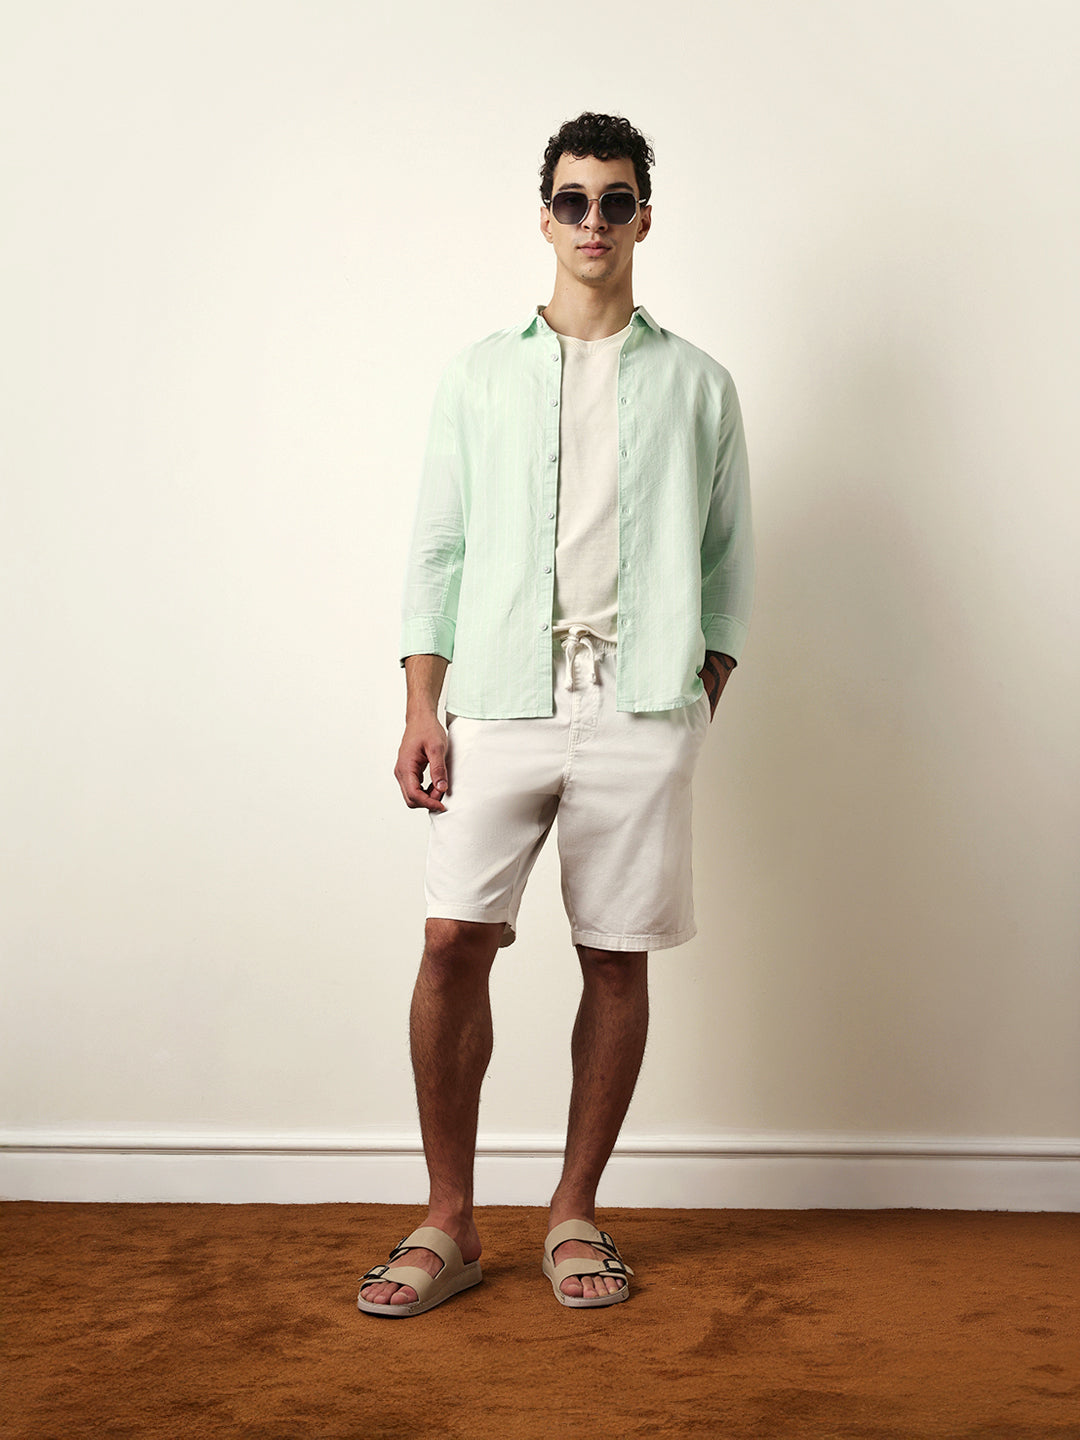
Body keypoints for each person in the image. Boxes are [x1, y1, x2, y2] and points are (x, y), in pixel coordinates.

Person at [358, 112, 754, 1317]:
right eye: (574, 200)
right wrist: (423, 707)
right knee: (452, 940)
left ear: (644, 218)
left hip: (641, 704)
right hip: (497, 697)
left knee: (613, 956)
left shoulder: (699, 384)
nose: (594, 221)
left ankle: (574, 1212)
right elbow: (437, 548)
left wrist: (693, 695)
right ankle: (449, 1220)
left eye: (615, 201)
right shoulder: (480, 374)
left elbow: (728, 563)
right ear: (545, 217)